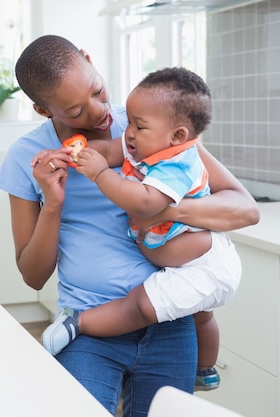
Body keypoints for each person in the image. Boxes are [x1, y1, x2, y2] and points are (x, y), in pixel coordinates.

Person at [0, 35, 259, 417]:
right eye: (75, 110)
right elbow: (33, 277)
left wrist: (166, 211)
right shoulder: (26, 158)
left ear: (89, 58)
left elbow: (245, 209)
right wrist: (52, 204)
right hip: (88, 328)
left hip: (168, 320)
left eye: (98, 91)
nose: (99, 111)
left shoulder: (152, 123)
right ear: (42, 110)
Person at [48, 67, 241, 392]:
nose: (129, 132)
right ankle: (205, 370)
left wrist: (99, 175)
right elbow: (111, 150)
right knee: (201, 315)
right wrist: (80, 154)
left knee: (144, 305)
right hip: (182, 254)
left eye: (139, 125)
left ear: (177, 136)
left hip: (204, 266)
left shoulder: (178, 163)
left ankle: (77, 322)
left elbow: (145, 203)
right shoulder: (145, 144)